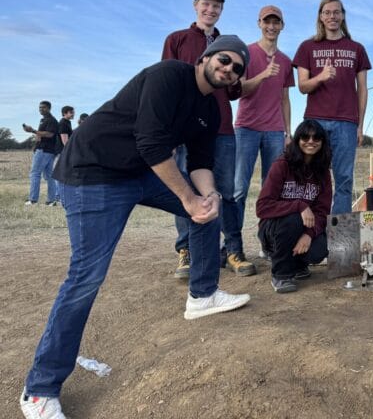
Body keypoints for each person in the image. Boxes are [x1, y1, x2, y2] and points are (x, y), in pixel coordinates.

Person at [19, 36, 252, 419]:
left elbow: (201, 160)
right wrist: (189, 199)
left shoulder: (210, 108)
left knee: (210, 209)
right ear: (207, 57)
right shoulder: (168, 76)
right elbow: (151, 143)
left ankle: (203, 295)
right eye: (224, 59)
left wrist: (205, 197)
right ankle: (39, 389)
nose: (228, 69)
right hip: (91, 173)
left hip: (138, 171)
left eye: (237, 68)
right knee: (86, 277)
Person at [162, 0, 254, 278]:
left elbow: (234, 91)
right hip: (185, 128)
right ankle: (187, 250)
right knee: (186, 190)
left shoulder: (228, 44)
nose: (211, 10)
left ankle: (233, 250)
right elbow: (167, 82)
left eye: (216, 6)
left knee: (227, 192)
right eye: (206, 4)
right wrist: (169, 133)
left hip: (223, 127)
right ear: (195, 5)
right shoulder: (177, 39)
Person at [293, 0, 371, 215]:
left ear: (343, 15)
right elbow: (302, 87)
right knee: (310, 177)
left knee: (344, 180)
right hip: (315, 121)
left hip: (346, 122)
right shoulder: (307, 47)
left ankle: (340, 236)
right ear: (320, 16)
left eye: (336, 12)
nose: (332, 16)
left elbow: (362, 89)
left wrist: (360, 125)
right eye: (327, 12)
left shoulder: (356, 48)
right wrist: (322, 76)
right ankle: (312, 228)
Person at [234, 5, 294, 240]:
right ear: (259, 23)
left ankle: (267, 241)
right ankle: (232, 244)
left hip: (274, 132)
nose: (271, 26)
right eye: (267, 22)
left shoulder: (286, 61)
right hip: (246, 128)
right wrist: (263, 75)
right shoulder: (246, 53)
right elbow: (238, 90)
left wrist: (288, 133)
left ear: (282, 26)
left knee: (272, 190)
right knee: (239, 188)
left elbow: (285, 100)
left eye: (276, 22)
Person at [256, 119, 332, 293]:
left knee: (320, 248)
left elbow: (322, 211)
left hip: (303, 227)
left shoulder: (323, 172)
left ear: (322, 141)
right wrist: (299, 205)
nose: (311, 141)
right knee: (293, 220)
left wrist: (309, 235)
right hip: (274, 229)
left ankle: (298, 264)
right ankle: (281, 275)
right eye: (305, 137)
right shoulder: (282, 165)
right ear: (297, 140)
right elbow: (262, 207)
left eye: (316, 137)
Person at [22, 101, 58, 206]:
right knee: (49, 176)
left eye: (44, 107)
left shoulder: (51, 120)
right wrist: (35, 144)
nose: (41, 109)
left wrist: (32, 130)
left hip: (45, 150)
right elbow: (40, 135)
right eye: (40, 108)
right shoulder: (43, 120)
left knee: (35, 174)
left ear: (49, 108)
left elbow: (49, 134)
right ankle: (51, 200)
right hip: (46, 150)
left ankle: (33, 200)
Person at [53, 105, 75, 204]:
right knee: (60, 174)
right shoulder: (63, 123)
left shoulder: (67, 123)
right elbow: (65, 141)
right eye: (71, 112)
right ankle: (58, 196)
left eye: (73, 112)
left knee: (63, 174)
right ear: (64, 113)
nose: (73, 114)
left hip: (63, 152)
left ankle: (60, 196)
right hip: (62, 152)